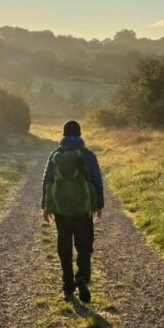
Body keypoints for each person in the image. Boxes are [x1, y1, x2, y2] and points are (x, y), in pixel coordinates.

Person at [41, 120, 104, 303]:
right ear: (80, 134)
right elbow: (96, 180)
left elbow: (47, 181)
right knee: (84, 246)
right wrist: (99, 204)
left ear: (63, 134)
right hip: (83, 211)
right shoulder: (88, 155)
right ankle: (82, 277)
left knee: (64, 246)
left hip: (62, 210)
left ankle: (68, 286)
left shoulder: (55, 155)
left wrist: (46, 206)